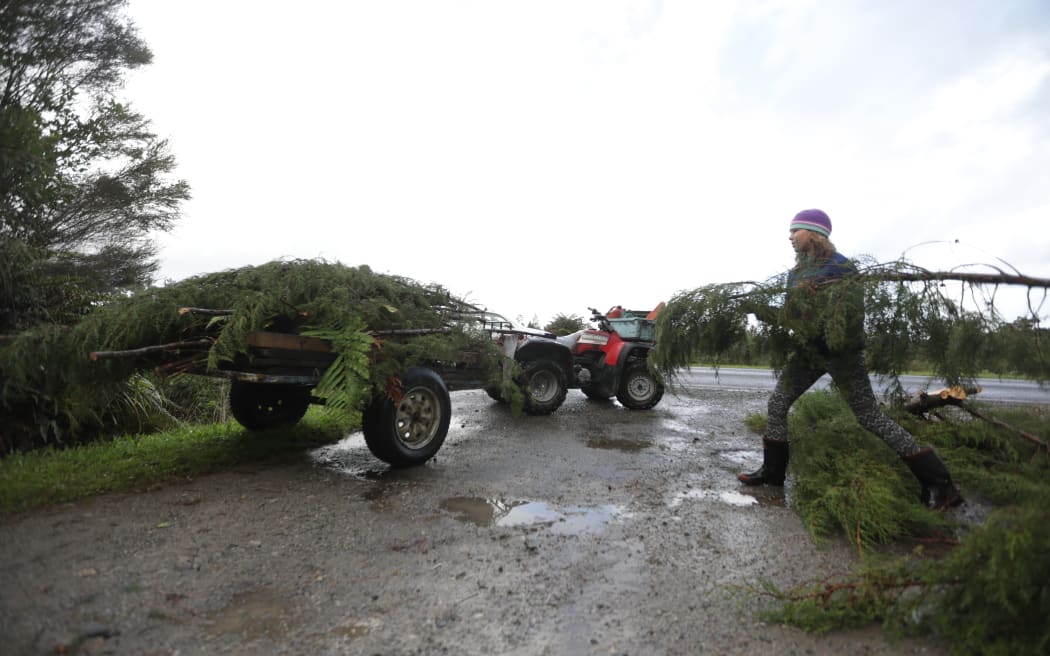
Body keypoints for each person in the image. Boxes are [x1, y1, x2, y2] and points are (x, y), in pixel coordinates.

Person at [738, 208, 963, 510]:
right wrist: (760, 310)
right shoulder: (795, 274)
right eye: (790, 231)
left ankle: (941, 485)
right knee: (777, 404)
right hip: (809, 354)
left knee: (869, 417)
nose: (789, 236)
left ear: (814, 234)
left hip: (843, 355)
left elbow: (848, 318)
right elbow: (795, 319)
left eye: (796, 231)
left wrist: (828, 326)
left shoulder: (843, 268)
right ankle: (773, 473)